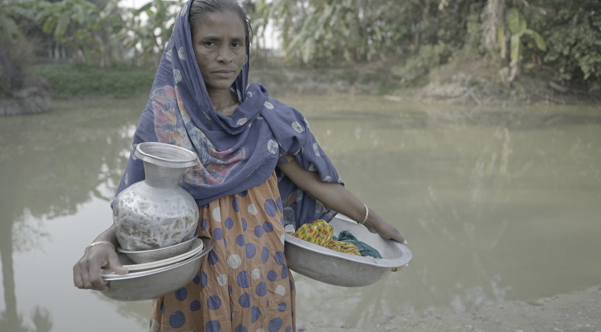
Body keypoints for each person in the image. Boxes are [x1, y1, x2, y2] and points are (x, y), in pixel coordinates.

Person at [73, 0, 406, 331]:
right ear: (186, 49)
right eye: (209, 44)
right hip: (194, 283)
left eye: (236, 44)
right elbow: (147, 206)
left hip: (264, 277)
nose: (225, 56)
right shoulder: (166, 122)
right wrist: (102, 242)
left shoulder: (267, 118)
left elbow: (316, 185)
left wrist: (375, 223)